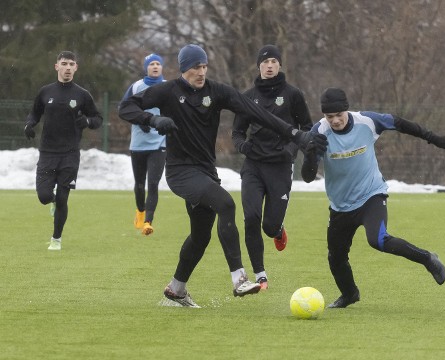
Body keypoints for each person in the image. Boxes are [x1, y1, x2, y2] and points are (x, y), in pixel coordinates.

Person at [119, 44, 327, 307]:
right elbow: (125, 107)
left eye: (204, 66)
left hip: (206, 171)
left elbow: (258, 113)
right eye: (196, 67)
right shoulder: (167, 91)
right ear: (184, 68)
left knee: (200, 236)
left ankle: (176, 289)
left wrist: (296, 134)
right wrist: (152, 120)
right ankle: (240, 280)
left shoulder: (217, 92)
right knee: (226, 204)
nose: (201, 72)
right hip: (180, 172)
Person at [300, 87, 445, 308]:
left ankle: (427, 259)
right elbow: (307, 177)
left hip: (371, 195)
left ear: (347, 110)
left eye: (339, 115)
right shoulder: (319, 132)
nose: (335, 121)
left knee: (378, 240)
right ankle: (349, 294)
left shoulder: (368, 121)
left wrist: (433, 138)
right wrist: (309, 155)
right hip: (340, 206)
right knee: (335, 257)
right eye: (329, 116)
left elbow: (401, 124)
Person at [231, 44, 313, 290]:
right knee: (251, 217)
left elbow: (307, 128)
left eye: (274, 62)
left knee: (268, 226)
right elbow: (236, 132)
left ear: (280, 65)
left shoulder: (293, 95)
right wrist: (243, 147)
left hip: (280, 166)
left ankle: (278, 230)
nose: (269, 66)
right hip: (254, 165)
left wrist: (291, 150)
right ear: (258, 66)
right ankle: (260, 274)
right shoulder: (248, 96)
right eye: (265, 62)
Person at [24, 51, 103, 251]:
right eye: (64, 63)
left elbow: (97, 119)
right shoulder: (45, 92)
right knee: (43, 196)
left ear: (76, 68)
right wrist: (29, 125)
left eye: (71, 64)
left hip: (70, 153)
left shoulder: (82, 95)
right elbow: (35, 113)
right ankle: (51, 200)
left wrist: (87, 121)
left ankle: (56, 239)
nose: (68, 67)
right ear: (56, 66)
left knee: (63, 197)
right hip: (48, 152)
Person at [120, 53, 167, 235]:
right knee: (140, 184)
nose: (155, 66)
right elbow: (124, 109)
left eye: (158, 63)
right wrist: (141, 121)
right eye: (151, 64)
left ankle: (148, 222)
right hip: (139, 144)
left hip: (159, 143)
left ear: (162, 67)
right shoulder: (137, 86)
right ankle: (140, 211)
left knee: (153, 183)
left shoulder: (168, 86)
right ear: (146, 68)